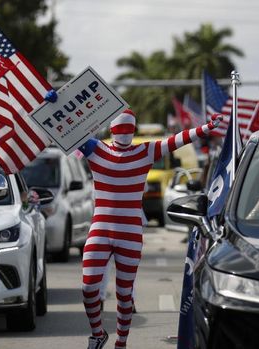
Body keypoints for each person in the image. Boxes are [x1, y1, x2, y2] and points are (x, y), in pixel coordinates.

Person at [46, 90, 222, 349]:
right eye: (120, 129)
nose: (125, 133)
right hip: (100, 228)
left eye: (129, 129)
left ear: (134, 130)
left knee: (125, 293)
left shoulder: (145, 152)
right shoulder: (97, 150)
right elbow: (65, 129)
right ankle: (97, 333)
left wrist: (204, 128)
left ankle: (122, 344)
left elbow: (175, 140)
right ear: (113, 131)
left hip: (130, 232)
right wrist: (52, 103)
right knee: (88, 287)